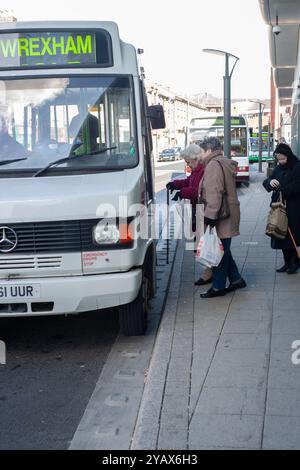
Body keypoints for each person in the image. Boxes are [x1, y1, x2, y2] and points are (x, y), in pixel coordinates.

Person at [197, 137, 246, 298]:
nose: (200, 155)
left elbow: (215, 192)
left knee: (219, 251)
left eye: (202, 151)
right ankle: (236, 279)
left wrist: (210, 216)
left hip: (219, 215)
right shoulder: (223, 162)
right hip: (228, 212)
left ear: (209, 151)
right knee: (224, 249)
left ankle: (218, 287)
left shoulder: (213, 165)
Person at [166, 143, 212, 286]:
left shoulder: (203, 170)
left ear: (195, 158)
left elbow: (197, 191)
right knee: (197, 243)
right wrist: (175, 184)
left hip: (201, 211)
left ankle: (208, 272)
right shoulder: (196, 170)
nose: (188, 165)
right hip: (195, 210)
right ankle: (212, 271)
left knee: (200, 244)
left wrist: (182, 192)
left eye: (188, 162)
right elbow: (189, 182)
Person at [263, 143, 300, 274]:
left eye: (283, 159)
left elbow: (297, 186)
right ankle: (286, 262)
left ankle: (294, 262)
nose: (281, 162)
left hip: (293, 208)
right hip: (279, 207)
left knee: (293, 236)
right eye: (278, 159)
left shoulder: (297, 166)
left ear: (288, 156)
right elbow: (267, 181)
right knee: (281, 235)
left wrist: (281, 192)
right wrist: (270, 183)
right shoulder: (279, 168)